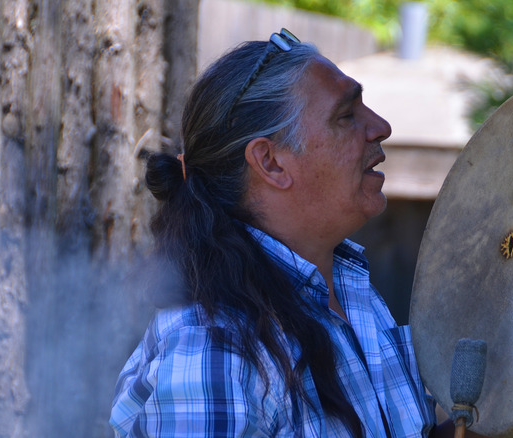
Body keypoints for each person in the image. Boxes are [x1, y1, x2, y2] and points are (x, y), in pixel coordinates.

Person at [109, 29, 480, 437]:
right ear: (270, 163)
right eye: (346, 116)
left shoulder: (349, 290)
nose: (380, 127)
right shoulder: (213, 349)